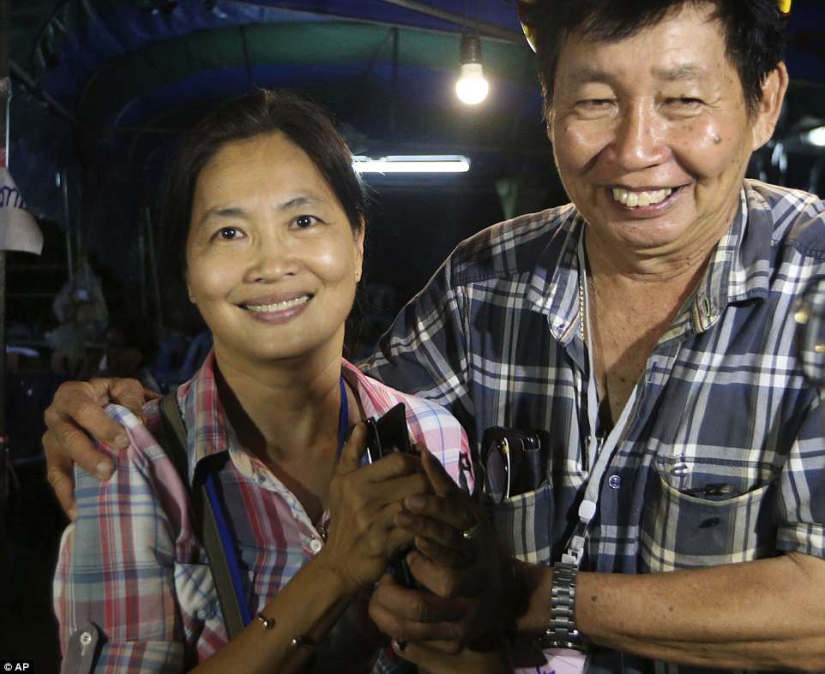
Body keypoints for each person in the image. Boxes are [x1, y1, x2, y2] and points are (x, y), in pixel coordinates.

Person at [42, 1, 825, 671]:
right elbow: (329, 415)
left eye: (683, 100)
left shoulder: (814, 287)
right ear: (547, 106)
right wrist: (133, 416)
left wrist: (525, 598)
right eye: (593, 101)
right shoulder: (483, 280)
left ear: (763, 102)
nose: (635, 150)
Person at [51, 89, 489, 674]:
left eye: (303, 221)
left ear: (357, 244)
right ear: (186, 270)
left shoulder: (430, 433)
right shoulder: (129, 461)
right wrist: (335, 572)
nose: (271, 264)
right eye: (229, 233)